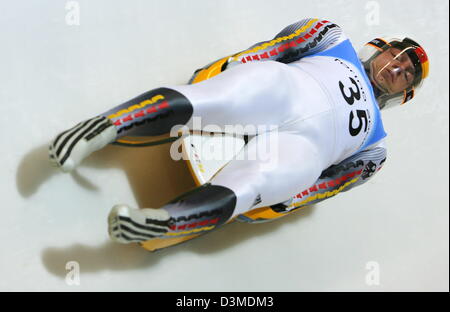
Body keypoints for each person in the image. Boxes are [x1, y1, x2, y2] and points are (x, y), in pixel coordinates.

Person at [48, 18, 429, 244]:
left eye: (407, 72)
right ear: (381, 48)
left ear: (404, 93)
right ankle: (99, 129)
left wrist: (284, 204)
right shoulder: (332, 36)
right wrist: (222, 70)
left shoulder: (376, 150)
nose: (397, 68)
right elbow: (273, 49)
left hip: (305, 150)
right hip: (284, 90)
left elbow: (329, 185)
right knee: (210, 100)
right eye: (397, 56)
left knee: (251, 186)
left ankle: (164, 223)